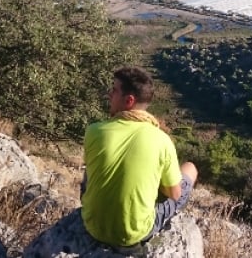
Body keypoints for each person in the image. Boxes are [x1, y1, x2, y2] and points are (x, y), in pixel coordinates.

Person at [80, 66, 198, 250]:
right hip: (134, 233)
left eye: (114, 90)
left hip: (91, 225)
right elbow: (175, 195)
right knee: (190, 168)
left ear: (129, 100)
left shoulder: (94, 131)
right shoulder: (162, 140)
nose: (109, 95)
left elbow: (90, 177)